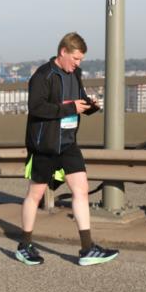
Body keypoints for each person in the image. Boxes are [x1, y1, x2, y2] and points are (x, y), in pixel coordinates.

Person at [17, 32, 119, 266]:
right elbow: (36, 108)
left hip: (69, 143)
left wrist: (90, 106)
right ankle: (24, 245)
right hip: (45, 145)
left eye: (81, 60)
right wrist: (70, 108)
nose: (78, 64)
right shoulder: (43, 75)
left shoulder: (77, 74)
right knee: (35, 195)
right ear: (63, 52)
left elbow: (78, 101)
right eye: (75, 59)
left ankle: (87, 249)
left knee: (81, 189)